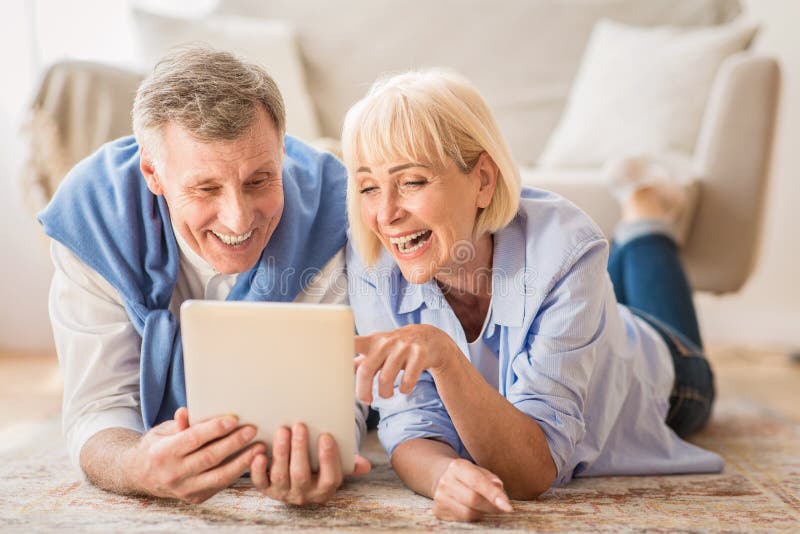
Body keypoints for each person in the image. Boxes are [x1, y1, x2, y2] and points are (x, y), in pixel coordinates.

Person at [341, 70, 723, 522]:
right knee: (611, 294)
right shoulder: (372, 261)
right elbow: (410, 425)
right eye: (368, 187)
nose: (385, 214)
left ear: (483, 180)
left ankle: (645, 213)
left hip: (662, 371)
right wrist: (445, 474)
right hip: (591, 319)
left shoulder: (567, 248)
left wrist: (442, 354)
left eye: (412, 182)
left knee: (653, 283)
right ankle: (627, 249)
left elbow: (532, 471)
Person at [39, 45, 369, 505]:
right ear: (153, 173)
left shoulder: (336, 214)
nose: (238, 220)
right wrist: (134, 465)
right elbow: (97, 406)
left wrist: (322, 454)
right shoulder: (92, 219)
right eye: (205, 188)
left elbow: (343, 394)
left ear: (282, 153)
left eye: (259, 180)